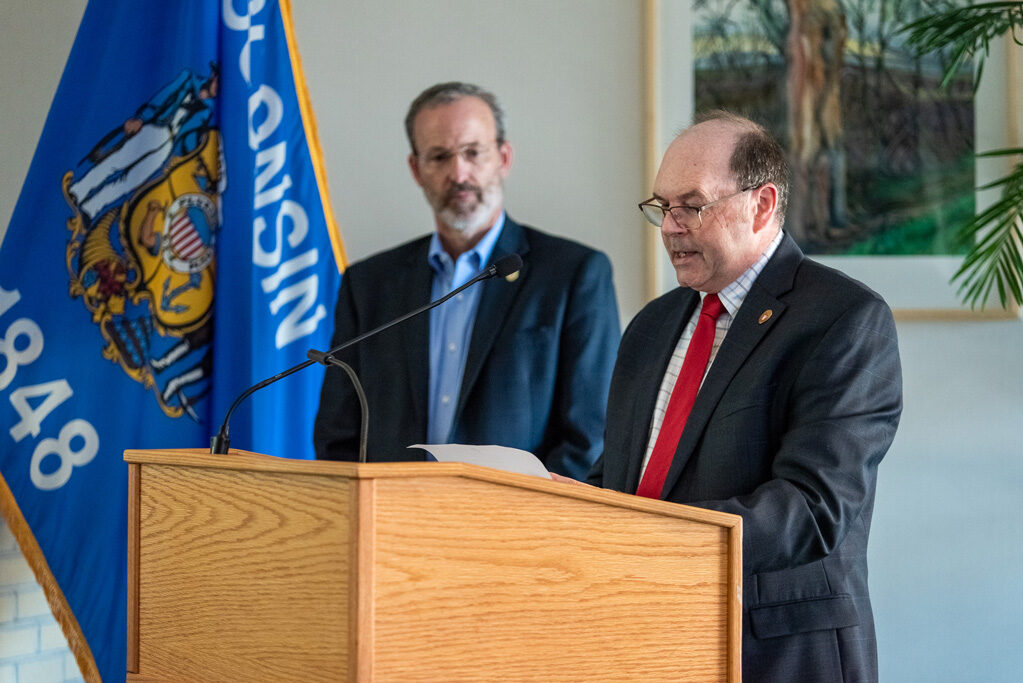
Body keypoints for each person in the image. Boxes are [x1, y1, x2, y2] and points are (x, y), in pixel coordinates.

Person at [586, 111, 902, 681]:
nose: (671, 226)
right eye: (662, 207)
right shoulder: (651, 326)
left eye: (693, 205)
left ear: (761, 204)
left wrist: (648, 539)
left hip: (774, 651)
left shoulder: (844, 319)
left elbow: (812, 509)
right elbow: (624, 478)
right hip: (644, 636)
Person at [313, 82, 620, 479]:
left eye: (473, 153)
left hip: (516, 527)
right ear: (415, 169)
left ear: (503, 158)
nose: (459, 173)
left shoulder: (574, 274)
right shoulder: (368, 284)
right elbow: (338, 437)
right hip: (389, 526)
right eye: (439, 157)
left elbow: (590, 436)